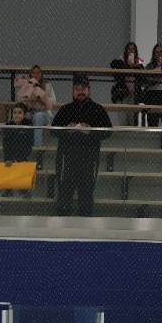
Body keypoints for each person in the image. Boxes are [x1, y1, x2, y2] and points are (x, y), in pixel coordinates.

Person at [51, 73, 112, 217]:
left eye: (83, 89)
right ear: (73, 91)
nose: (80, 92)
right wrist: (67, 130)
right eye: (77, 89)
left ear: (89, 90)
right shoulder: (65, 109)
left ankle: (85, 227)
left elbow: (108, 132)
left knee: (86, 196)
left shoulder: (98, 109)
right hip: (67, 159)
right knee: (64, 194)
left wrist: (91, 131)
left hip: (89, 160)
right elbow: (53, 131)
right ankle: (62, 227)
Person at [14, 65, 57, 146]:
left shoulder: (47, 85)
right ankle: (22, 146)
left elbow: (54, 102)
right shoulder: (26, 86)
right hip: (29, 112)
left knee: (38, 116)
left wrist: (43, 97)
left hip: (43, 113)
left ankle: (37, 146)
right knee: (22, 117)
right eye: (33, 73)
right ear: (30, 75)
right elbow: (20, 101)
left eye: (38, 73)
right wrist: (29, 98)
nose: (36, 75)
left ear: (41, 74)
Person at [109, 41, 144, 124]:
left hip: (134, 94)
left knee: (132, 120)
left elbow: (143, 79)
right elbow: (113, 64)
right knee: (122, 119)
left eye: (133, 49)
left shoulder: (138, 64)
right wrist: (128, 65)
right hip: (122, 93)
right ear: (126, 50)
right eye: (129, 49)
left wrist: (137, 66)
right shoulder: (120, 62)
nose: (131, 51)